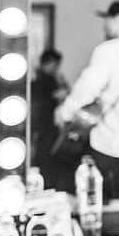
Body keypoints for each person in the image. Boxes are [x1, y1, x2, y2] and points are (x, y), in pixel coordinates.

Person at [55, 0, 119, 202]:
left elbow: (86, 89)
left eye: (107, 20)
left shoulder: (108, 50)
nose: (105, 26)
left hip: (103, 142)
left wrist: (64, 113)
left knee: (89, 203)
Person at [30, 48, 72, 192]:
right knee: (45, 161)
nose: (56, 69)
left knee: (49, 161)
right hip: (44, 127)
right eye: (54, 65)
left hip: (50, 128)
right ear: (47, 63)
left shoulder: (52, 79)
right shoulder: (40, 83)